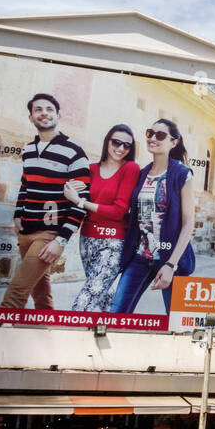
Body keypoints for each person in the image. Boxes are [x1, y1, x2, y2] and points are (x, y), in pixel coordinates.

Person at [2, 93, 92, 310]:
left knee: (17, 290)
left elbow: (81, 201)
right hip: (25, 231)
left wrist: (61, 240)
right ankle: (46, 324)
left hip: (49, 232)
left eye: (49, 109)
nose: (44, 113)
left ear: (58, 114)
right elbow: (25, 185)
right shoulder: (28, 150)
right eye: (38, 110)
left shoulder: (74, 151)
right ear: (31, 117)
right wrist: (17, 214)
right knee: (39, 287)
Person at [111, 119, 197, 314]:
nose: (153, 138)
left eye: (160, 135)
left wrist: (170, 265)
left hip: (171, 259)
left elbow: (188, 222)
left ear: (173, 142)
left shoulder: (182, 174)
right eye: (150, 133)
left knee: (177, 321)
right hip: (140, 256)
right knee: (117, 313)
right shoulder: (141, 174)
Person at [67, 125, 140, 311]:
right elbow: (70, 195)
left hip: (113, 242)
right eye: (116, 142)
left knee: (84, 303)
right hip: (88, 239)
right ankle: (114, 330)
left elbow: (119, 210)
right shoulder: (90, 169)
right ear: (107, 141)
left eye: (126, 145)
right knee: (103, 297)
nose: (121, 148)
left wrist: (80, 202)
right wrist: (68, 188)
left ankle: (70, 334)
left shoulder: (130, 169)